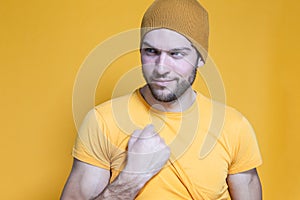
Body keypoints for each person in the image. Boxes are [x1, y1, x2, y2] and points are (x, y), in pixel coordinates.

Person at [61, 0, 262, 199]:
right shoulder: (103, 122)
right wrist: (132, 178)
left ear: (200, 58)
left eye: (176, 54)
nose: (161, 68)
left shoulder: (234, 127)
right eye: (151, 52)